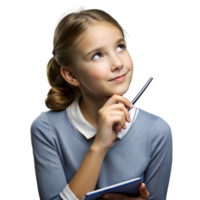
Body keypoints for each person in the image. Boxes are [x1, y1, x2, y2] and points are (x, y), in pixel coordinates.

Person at [30, 4, 174, 200]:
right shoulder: (46, 129)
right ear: (71, 75)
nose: (118, 64)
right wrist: (99, 146)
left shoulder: (158, 131)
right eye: (97, 55)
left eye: (120, 46)